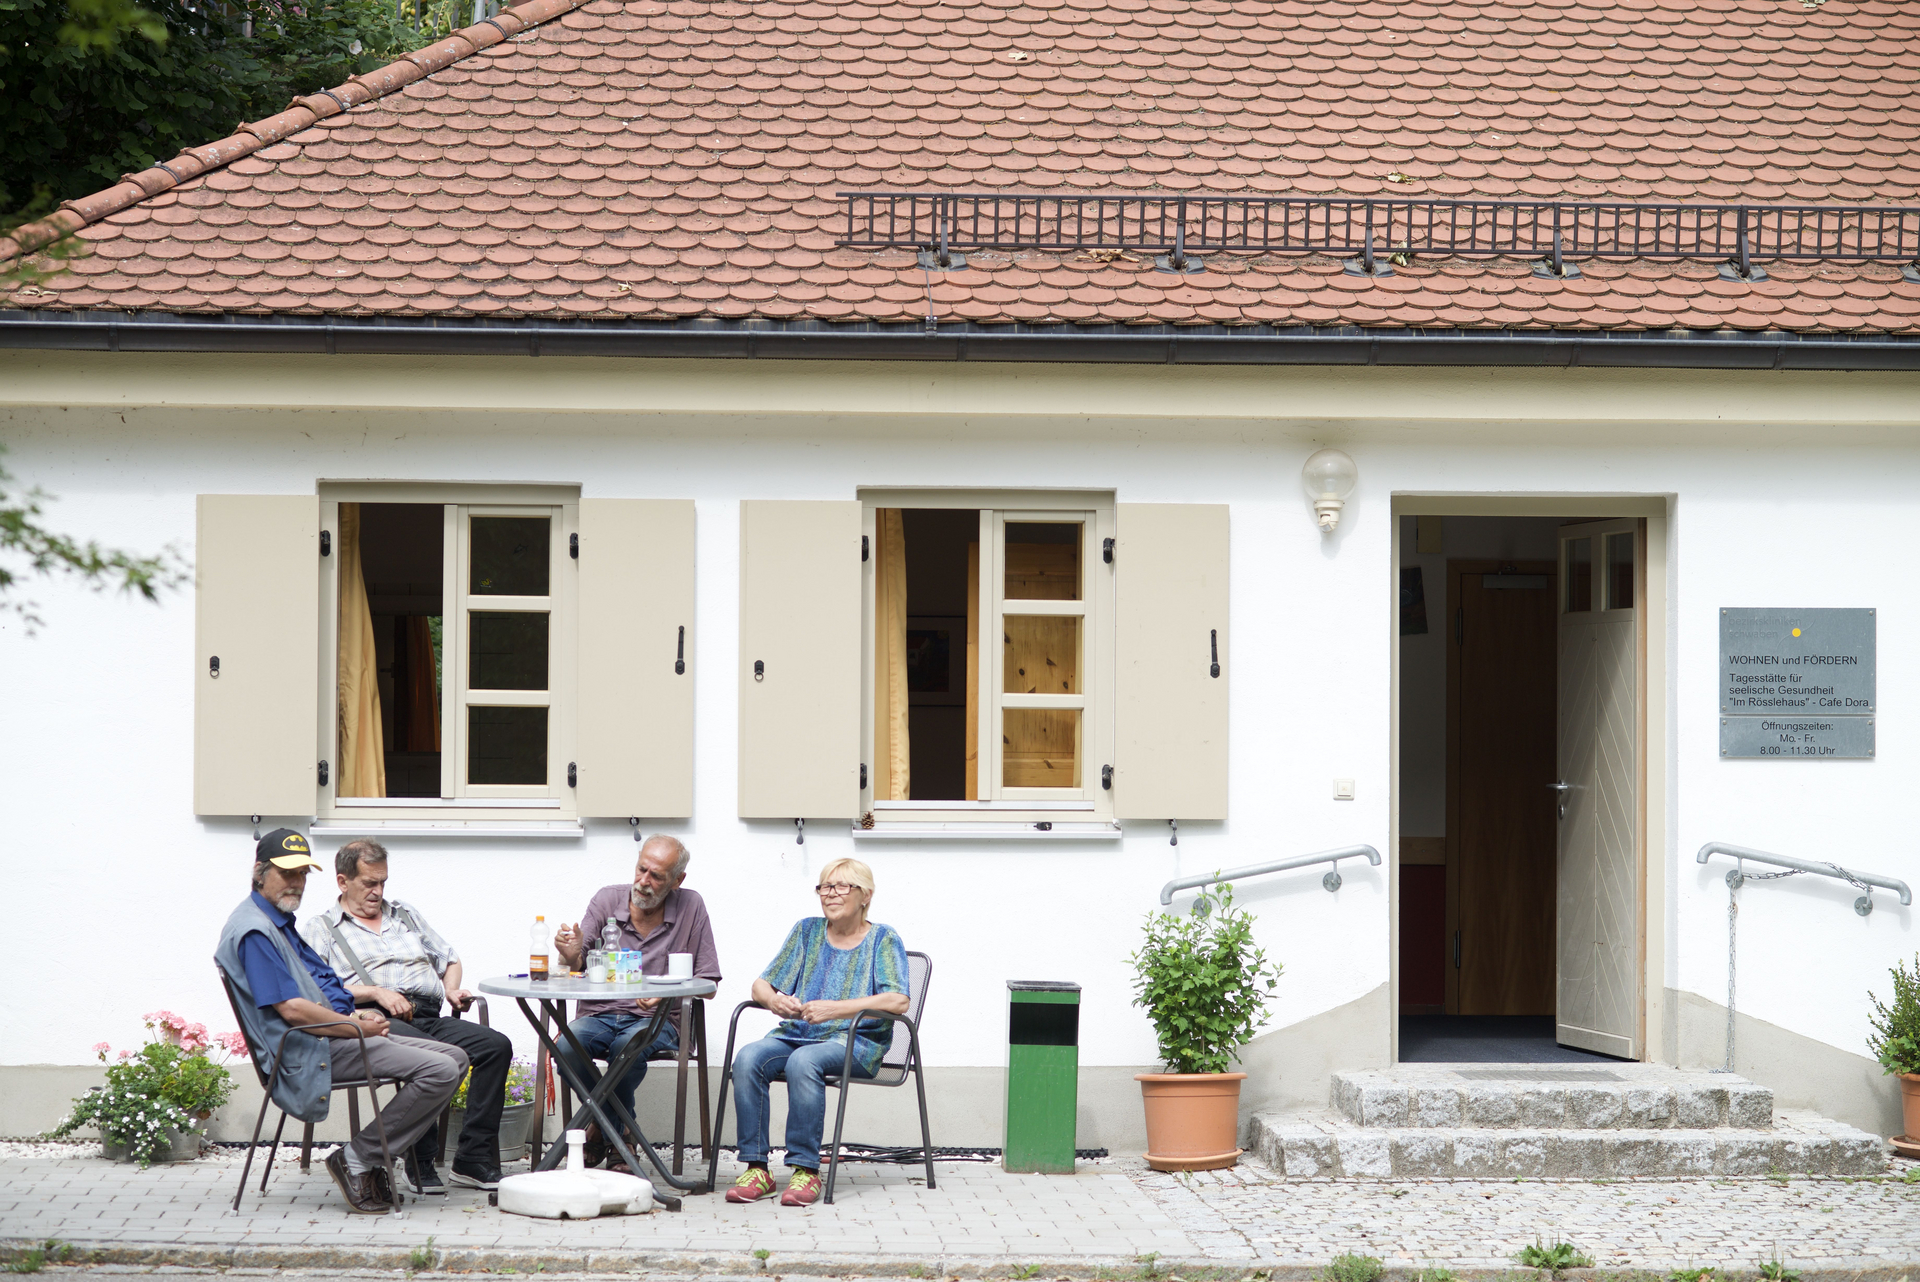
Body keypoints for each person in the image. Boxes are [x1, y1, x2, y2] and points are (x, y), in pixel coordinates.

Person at [214, 829, 467, 1215]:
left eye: (302, 873)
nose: (296, 882)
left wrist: (355, 1012)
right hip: (305, 1050)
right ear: (259, 872)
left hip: (329, 1035)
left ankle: (367, 1157)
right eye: (287, 873)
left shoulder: (279, 920)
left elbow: (323, 982)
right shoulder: (254, 931)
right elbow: (293, 1009)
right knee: (440, 1070)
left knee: (457, 1058)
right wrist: (354, 1027)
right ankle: (358, 1158)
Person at [300, 839, 515, 1194]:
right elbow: (315, 989)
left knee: (495, 1046)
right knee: (431, 1057)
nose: (378, 891)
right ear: (343, 881)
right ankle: (420, 1160)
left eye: (382, 881)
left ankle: (473, 1159)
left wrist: (451, 989)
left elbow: (449, 959)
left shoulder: (404, 914)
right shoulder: (322, 929)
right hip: (376, 1020)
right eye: (369, 883)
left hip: (428, 1014)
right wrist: (374, 992)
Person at [724, 856, 909, 1208]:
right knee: (749, 1057)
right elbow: (760, 985)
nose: (830, 894)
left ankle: (805, 1170)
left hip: (856, 1042)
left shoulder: (883, 938)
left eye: (841, 886)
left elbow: (898, 1000)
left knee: (803, 1062)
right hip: (797, 1034)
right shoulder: (807, 931)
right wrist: (776, 1001)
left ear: (865, 895)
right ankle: (757, 1167)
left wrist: (833, 1009)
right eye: (825, 886)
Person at [551, 834, 721, 1166]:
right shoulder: (606, 901)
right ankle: (621, 1132)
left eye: (656, 876)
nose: (643, 882)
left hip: (659, 1021)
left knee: (627, 1048)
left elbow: (709, 982)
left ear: (677, 881)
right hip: (599, 1014)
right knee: (567, 1048)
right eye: (641, 869)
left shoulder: (691, 906)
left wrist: (666, 993)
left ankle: (602, 1131)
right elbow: (576, 965)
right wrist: (570, 957)